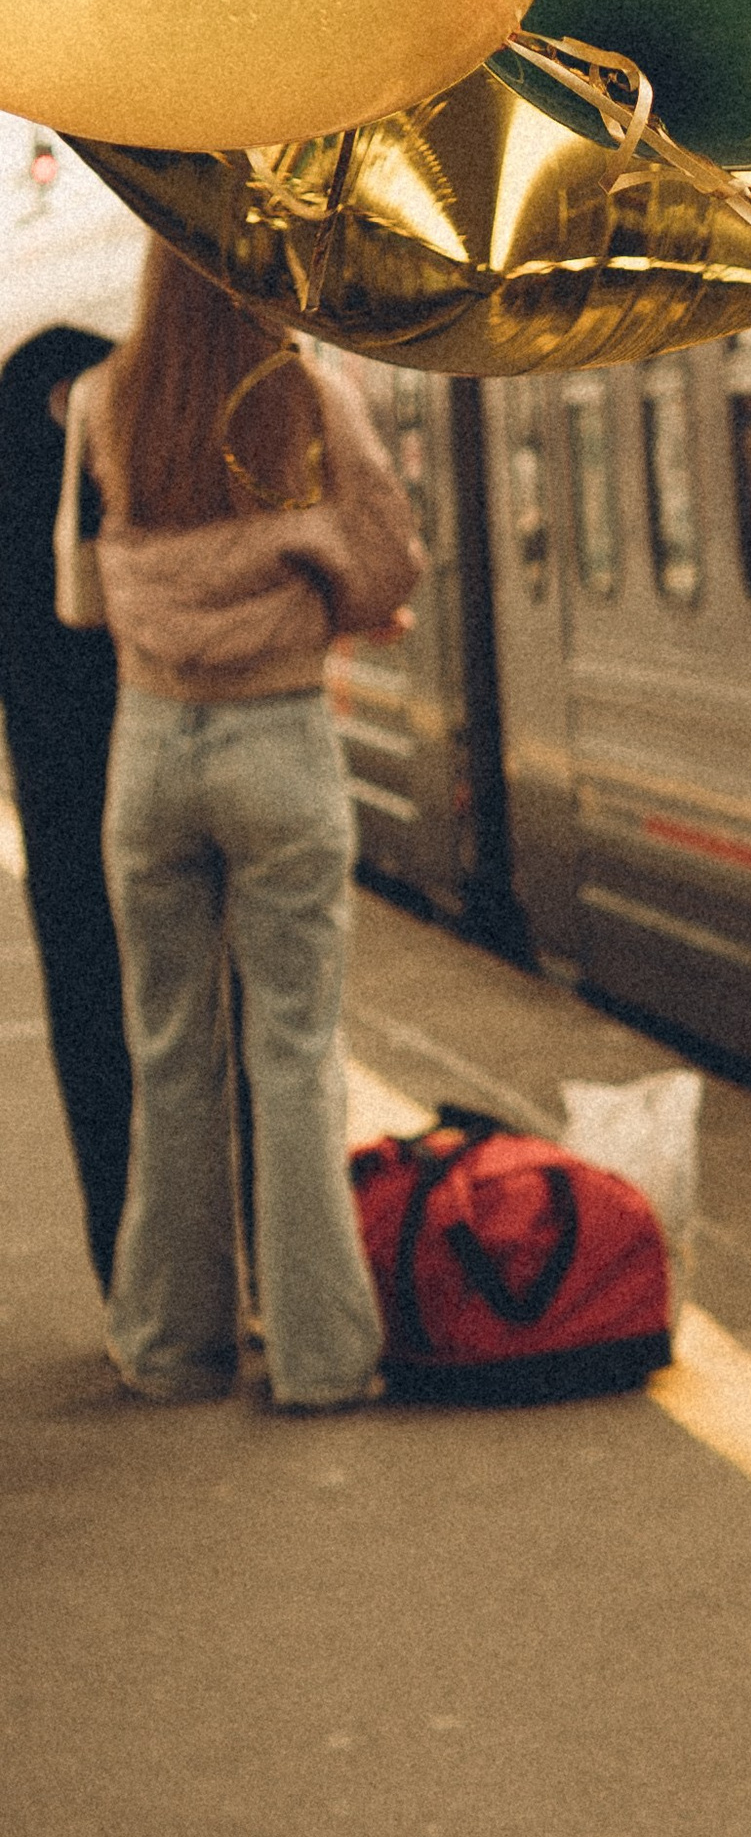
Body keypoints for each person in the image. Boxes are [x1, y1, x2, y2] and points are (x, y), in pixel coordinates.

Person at [62, 246, 421, 1409]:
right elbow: (383, 573)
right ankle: (320, 1360)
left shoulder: (106, 397)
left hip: (150, 749)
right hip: (277, 741)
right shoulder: (309, 397)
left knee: (169, 1057)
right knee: (297, 1057)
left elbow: (76, 596)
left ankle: (171, 1347)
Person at [0, 320, 131, 1285]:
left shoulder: (17, 394)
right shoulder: (167, 384)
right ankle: (242, 1267)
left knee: (90, 1011)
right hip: (173, 734)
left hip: (56, 780)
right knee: (221, 1020)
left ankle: (128, 1272)